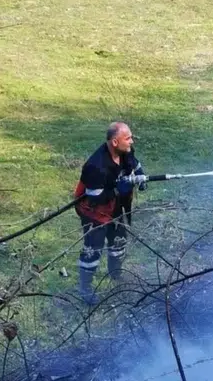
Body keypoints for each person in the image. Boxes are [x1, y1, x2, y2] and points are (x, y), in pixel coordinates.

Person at [73, 122, 147, 305]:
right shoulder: (95, 166)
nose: (131, 141)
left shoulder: (126, 151)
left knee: (119, 241)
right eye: (128, 138)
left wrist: (141, 176)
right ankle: (85, 289)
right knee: (93, 249)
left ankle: (116, 275)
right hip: (95, 213)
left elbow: (135, 165)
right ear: (115, 142)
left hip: (116, 208)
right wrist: (117, 190)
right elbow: (95, 198)